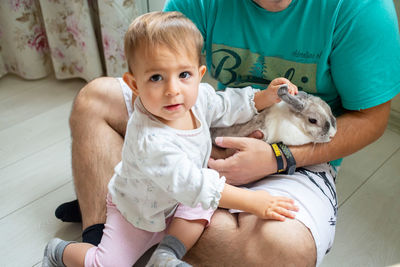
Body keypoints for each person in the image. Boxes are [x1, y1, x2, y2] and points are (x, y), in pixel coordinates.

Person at [55, 0, 400, 266]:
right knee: (94, 100)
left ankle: (130, 206)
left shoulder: (362, 10)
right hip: (206, 127)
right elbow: (165, 68)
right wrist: (208, 154)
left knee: (285, 251)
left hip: (300, 158)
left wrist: (279, 158)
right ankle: (102, 237)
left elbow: (371, 119)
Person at [44, 11, 300, 267]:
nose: (173, 90)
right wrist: (254, 201)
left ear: (200, 74)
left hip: (175, 202)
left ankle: (166, 254)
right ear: (134, 85)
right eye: (156, 77)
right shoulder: (150, 140)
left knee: (201, 206)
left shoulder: (199, 98)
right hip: (136, 213)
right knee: (106, 264)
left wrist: (264, 97)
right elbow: (195, 184)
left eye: (184, 75)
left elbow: (226, 105)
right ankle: (59, 252)